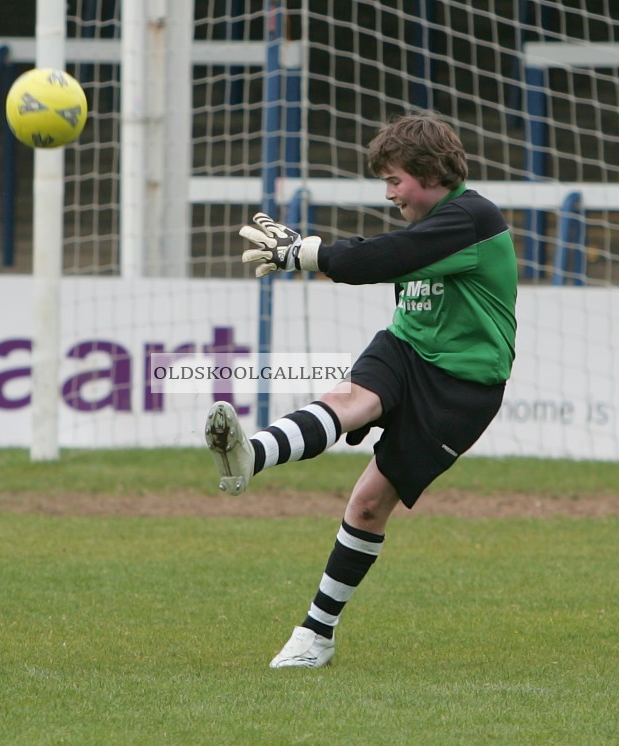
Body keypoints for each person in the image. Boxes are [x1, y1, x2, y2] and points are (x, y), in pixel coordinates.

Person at [205, 111, 518, 668]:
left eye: (395, 179)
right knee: (351, 401)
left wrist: (303, 252)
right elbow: (390, 256)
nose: (390, 192)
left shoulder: (472, 217)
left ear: (429, 172)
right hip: (406, 347)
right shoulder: (432, 226)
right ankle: (250, 455)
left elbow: (382, 259)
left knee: (370, 504)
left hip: (462, 387)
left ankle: (317, 634)